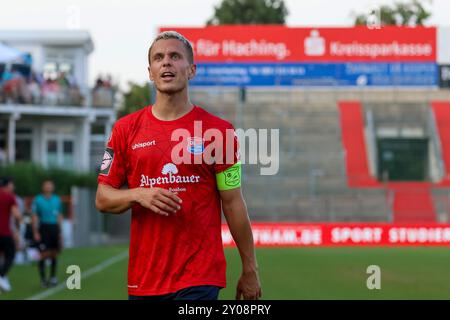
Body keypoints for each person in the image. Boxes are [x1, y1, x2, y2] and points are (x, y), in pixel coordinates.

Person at [96, 31, 261, 300]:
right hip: (145, 279)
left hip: (200, 276)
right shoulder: (125, 130)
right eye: (159, 58)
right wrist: (139, 193)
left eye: (175, 56)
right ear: (150, 72)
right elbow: (103, 198)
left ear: (191, 70)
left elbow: (233, 202)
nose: (166, 63)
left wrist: (250, 268)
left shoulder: (218, 132)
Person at [31, 180, 63, 287]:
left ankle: (53, 277)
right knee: (43, 254)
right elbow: (34, 216)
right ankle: (43, 278)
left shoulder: (57, 199)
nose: (48, 187)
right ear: (43, 187)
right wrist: (35, 231)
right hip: (44, 228)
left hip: (54, 228)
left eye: (50, 185)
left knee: (54, 253)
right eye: (46, 185)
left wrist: (60, 232)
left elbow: (59, 216)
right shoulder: (38, 199)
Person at [0, 177, 22, 293]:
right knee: (11, 254)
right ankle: (2, 275)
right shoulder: (10, 197)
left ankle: (3, 279)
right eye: (12, 185)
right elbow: (17, 215)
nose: (13, 187)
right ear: (7, 185)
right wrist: (18, 227)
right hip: (4, 232)